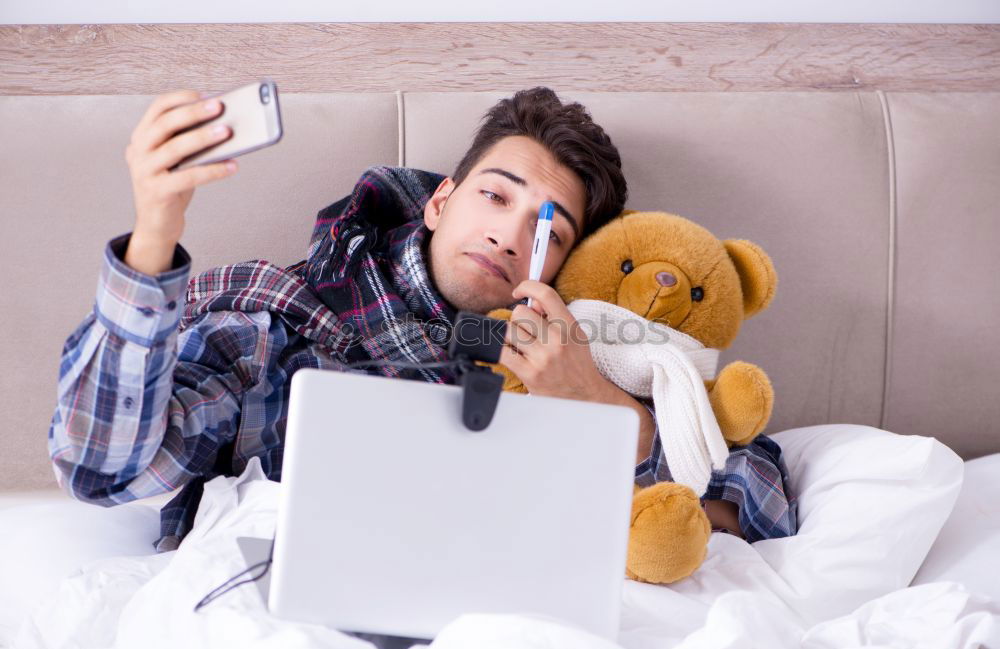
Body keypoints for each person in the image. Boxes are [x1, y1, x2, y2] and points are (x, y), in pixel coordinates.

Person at [48, 86, 795, 560]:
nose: (507, 236)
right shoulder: (283, 319)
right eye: (495, 197)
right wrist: (154, 235)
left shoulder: (580, 356)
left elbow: (760, 503)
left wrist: (608, 412)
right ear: (440, 203)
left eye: (548, 231)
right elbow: (102, 468)